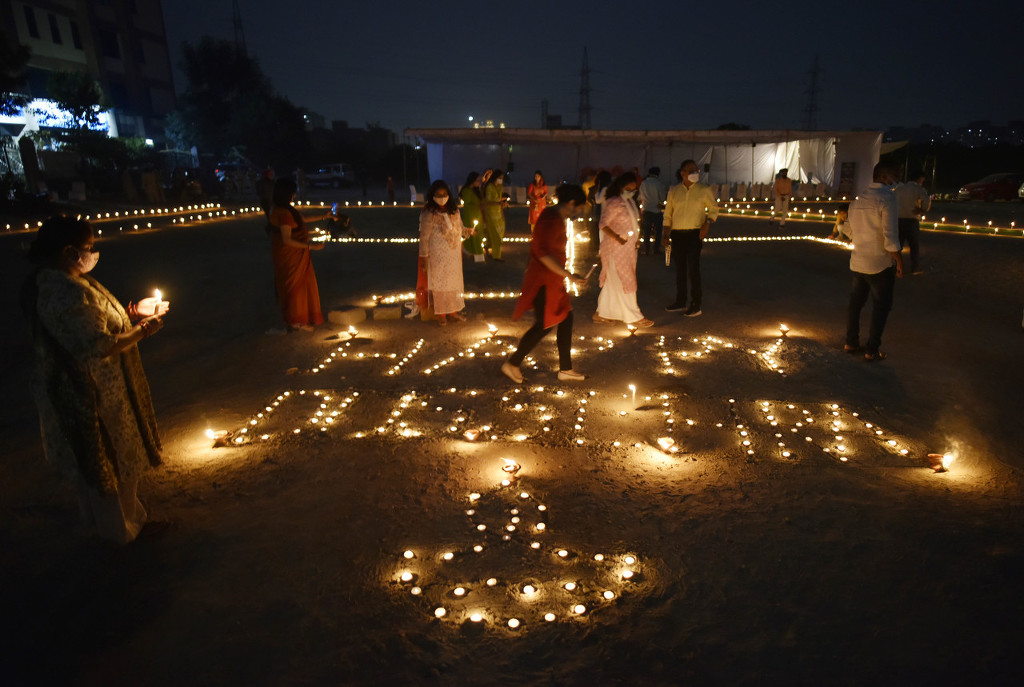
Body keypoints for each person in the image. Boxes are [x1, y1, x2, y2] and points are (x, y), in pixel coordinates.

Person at [21, 215, 169, 544]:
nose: (93, 253)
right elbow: (100, 344)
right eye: (88, 247)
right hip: (90, 393)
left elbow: (96, 321)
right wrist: (145, 329)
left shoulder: (67, 281)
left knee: (104, 462)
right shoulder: (63, 292)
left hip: (99, 388)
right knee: (108, 463)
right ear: (68, 251)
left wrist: (131, 312)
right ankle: (120, 534)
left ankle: (114, 525)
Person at [502, 184, 588, 384]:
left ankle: (566, 368)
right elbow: (541, 252)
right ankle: (512, 363)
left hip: (552, 279)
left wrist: (567, 274)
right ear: (572, 203)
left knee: (566, 317)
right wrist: (569, 275)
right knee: (544, 325)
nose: (580, 213)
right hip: (543, 280)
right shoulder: (550, 219)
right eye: (580, 208)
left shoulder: (555, 217)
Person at [844, 162, 904, 361]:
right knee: (881, 306)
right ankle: (872, 349)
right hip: (879, 263)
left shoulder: (858, 200)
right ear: (885, 176)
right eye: (895, 175)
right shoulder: (887, 198)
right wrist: (899, 262)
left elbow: (848, 230)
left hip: (858, 261)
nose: (896, 180)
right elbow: (890, 236)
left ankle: (851, 342)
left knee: (856, 304)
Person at [594, 172, 653, 327]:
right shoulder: (614, 202)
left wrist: (636, 239)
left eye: (634, 189)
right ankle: (634, 316)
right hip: (615, 248)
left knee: (614, 282)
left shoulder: (629, 202)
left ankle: (601, 313)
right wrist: (617, 238)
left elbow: (634, 223)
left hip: (628, 249)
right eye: (628, 188)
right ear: (620, 187)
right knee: (626, 281)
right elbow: (603, 224)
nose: (631, 192)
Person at [269, 177, 327, 331]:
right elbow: (286, 239)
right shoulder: (283, 213)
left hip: (296, 253)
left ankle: (297, 319)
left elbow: (302, 220)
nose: (294, 196)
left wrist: (324, 216)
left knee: (300, 285)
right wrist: (310, 246)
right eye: (293, 193)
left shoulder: (284, 209)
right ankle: (296, 321)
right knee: (294, 286)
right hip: (290, 255)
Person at [662, 159, 719, 316]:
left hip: (694, 233)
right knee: (680, 269)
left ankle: (696, 303)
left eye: (696, 170)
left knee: (693, 269)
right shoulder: (674, 191)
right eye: (691, 170)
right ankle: (680, 301)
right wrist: (665, 234)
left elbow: (714, 208)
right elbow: (668, 214)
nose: (695, 173)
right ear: (683, 173)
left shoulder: (703, 190)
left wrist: (707, 222)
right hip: (677, 234)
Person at [419, 180, 472, 325]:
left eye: (444, 194)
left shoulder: (454, 211)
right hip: (437, 254)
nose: (442, 197)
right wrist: (424, 257)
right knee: (440, 284)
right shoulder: (429, 214)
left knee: (453, 283)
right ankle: (441, 314)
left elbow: (460, 228)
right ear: (432, 195)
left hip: (453, 254)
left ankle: (453, 312)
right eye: (438, 194)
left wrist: (469, 231)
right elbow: (424, 237)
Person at [893, 172, 931, 275]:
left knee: (898, 245)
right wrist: (922, 209)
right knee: (914, 246)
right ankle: (915, 268)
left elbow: (892, 201)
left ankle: (897, 267)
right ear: (919, 179)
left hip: (898, 220)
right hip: (912, 220)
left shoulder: (899, 189)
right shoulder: (919, 189)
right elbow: (926, 201)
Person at [638, 166, 667, 254]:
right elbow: (662, 198)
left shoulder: (643, 183)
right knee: (658, 230)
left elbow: (640, 196)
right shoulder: (659, 184)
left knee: (646, 230)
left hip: (646, 208)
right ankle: (656, 249)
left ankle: (646, 249)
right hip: (656, 210)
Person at [460, 171, 487, 259]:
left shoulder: (475, 190)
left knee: (479, 234)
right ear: (472, 180)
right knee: (473, 234)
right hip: (470, 215)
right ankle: (476, 254)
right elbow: (468, 203)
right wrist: (478, 205)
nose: (478, 182)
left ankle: (477, 253)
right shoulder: (466, 191)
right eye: (477, 180)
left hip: (477, 214)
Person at [482, 170, 508, 260]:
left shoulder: (499, 187)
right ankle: (496, 256)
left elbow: (498, 199)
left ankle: (488, 245)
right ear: (495, 178)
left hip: (499, 213)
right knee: (496, 235)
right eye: (500, 178)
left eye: (502, 178)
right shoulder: (490, 187)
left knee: (499, 232)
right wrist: (499, 203)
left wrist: (503, 202)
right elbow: (488, 201)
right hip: (491, 214)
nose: (501, 180)